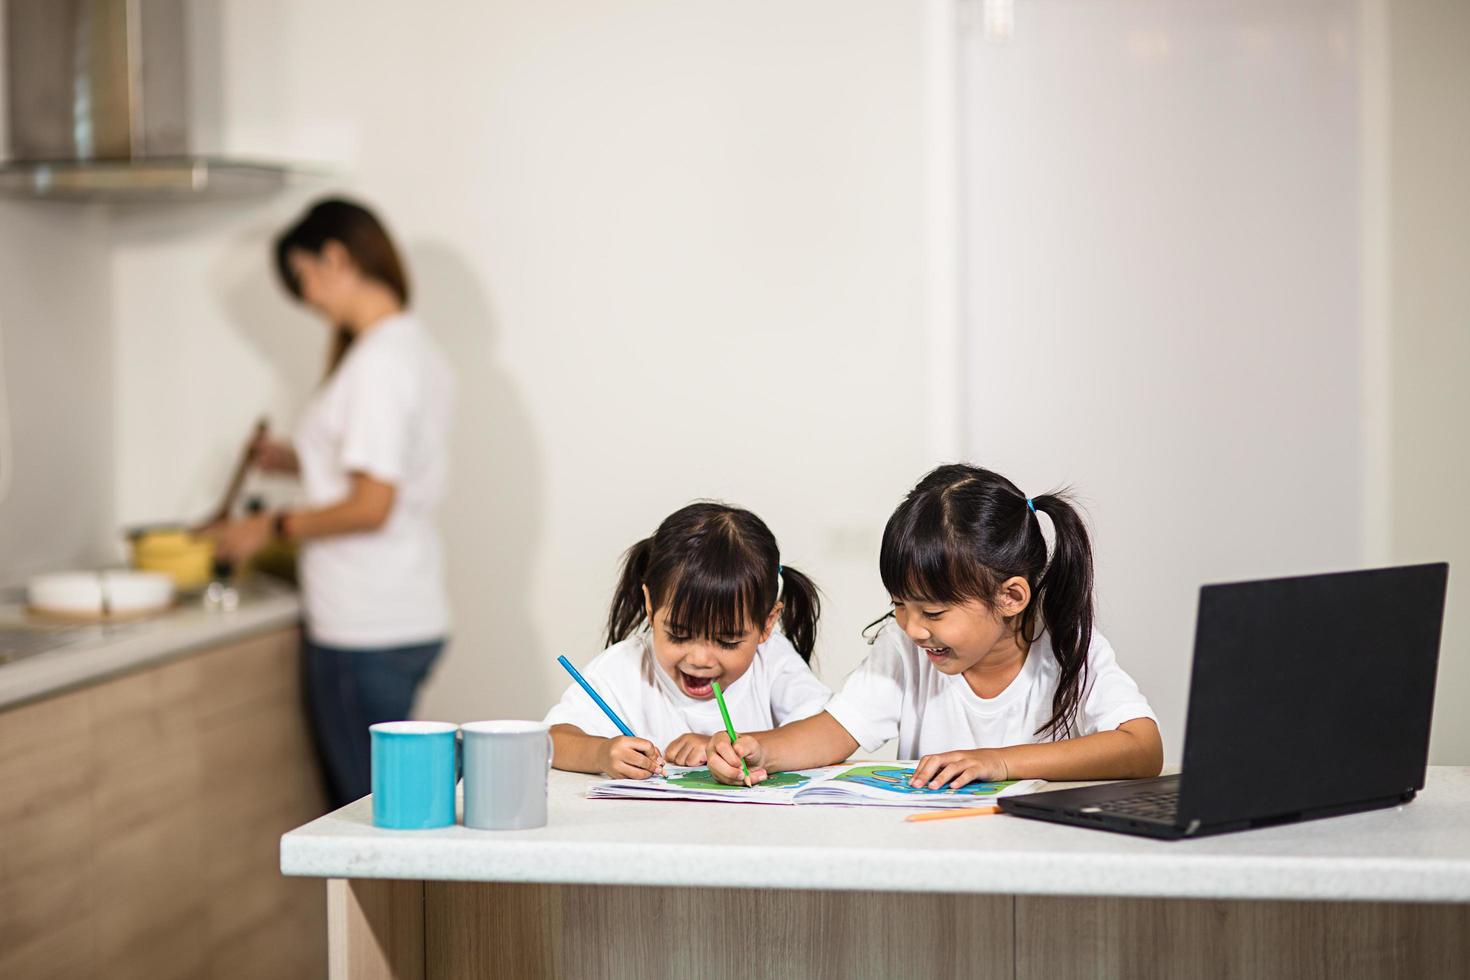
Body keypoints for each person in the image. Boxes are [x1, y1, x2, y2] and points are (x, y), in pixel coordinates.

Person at [707, 463, 1162, 788]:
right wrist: (760, 750)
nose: (912, 628)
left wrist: (998, 762)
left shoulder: (1066, 643)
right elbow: (835, 731)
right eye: (900, 605)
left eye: (934, 613)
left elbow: (1143, 748)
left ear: (1011, 597)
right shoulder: (905, 647)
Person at [212, 198, 454, 808]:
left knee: (373, 819)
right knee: (397, 808)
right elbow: (381, 469)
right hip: (407, 609)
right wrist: (296, 459)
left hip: (363, 625)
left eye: (304, 277)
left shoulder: (375, 363)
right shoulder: (414, 347)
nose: (308, 297)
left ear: (336, 256)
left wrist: (270, 524)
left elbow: (372, 503)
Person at [546, 502, 830, 779]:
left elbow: (828, 734)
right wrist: (601, 753)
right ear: (650, 604)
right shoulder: (624, 667)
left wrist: (726, 747)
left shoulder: (773, 660)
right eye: (678, 635)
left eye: (728, 641)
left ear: (767, 624)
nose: (699, 659)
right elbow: (552, 740)